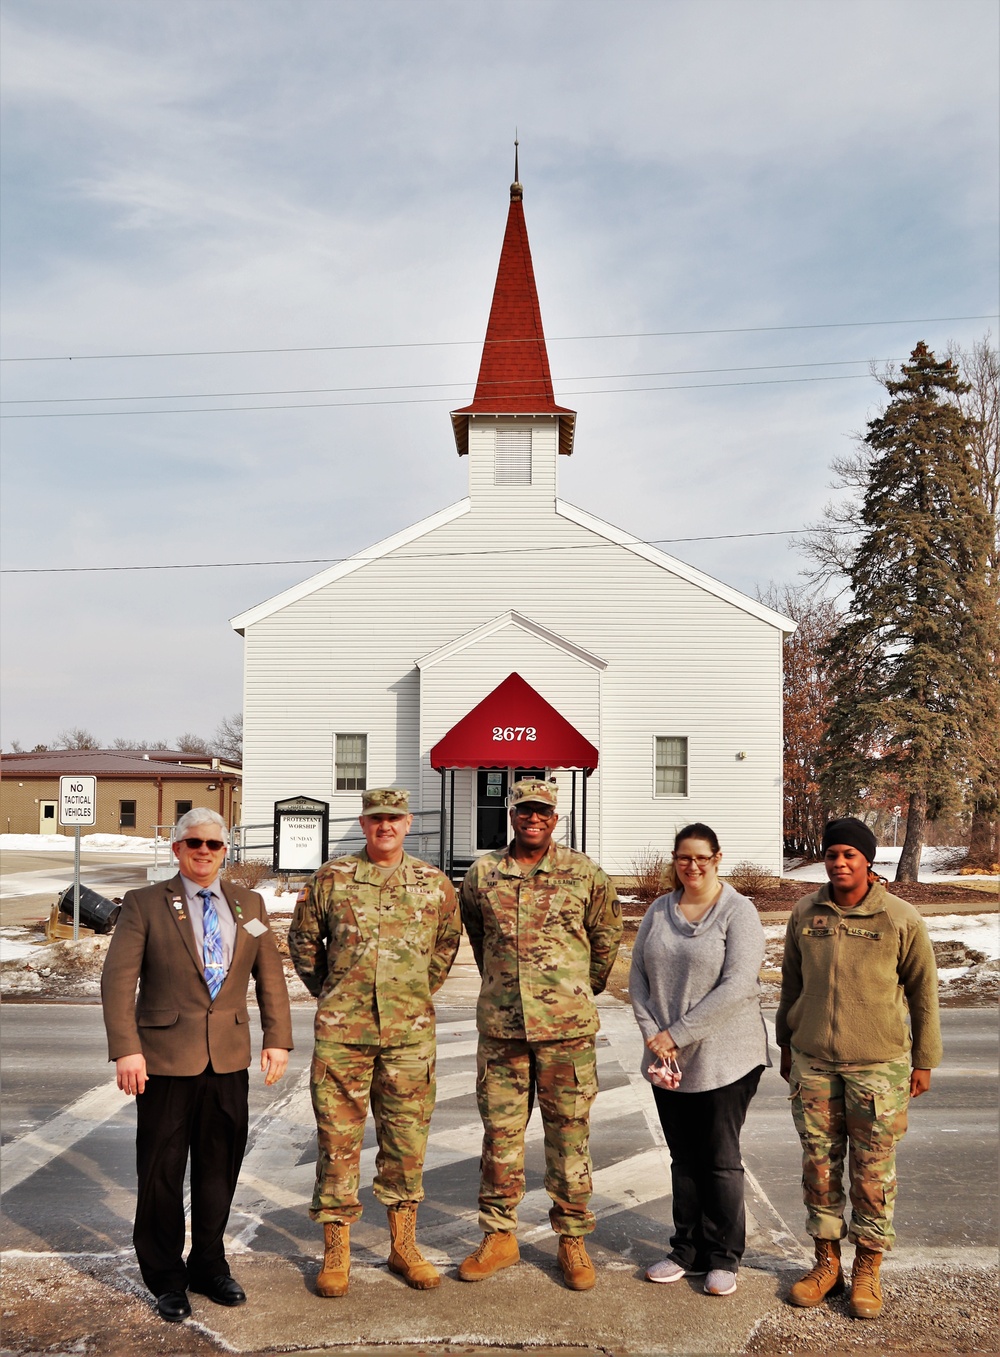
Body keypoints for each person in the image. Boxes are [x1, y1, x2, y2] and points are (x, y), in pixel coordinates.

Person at [101, 808, 292, 1323]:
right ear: (177, 849)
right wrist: (127, 1048)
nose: (203, 851)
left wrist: (277, 1038)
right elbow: (118, 982)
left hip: (227, 1058)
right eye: (193, 843)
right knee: (161, 1171)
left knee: (218, 1169)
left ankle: (208, 1263)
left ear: (225, 850)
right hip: (163, 1060)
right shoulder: (145, 904)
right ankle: (165, 1277)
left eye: (213, 844)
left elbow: (268, 975)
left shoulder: (248, 904)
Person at [288, 787, 461, 1297]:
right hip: (344, 1035)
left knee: (406, 1145)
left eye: (394, 818)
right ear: (363, 824)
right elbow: (303, 940)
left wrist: (413, 992)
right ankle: (336, 1250)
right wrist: (332, 993)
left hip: (409, 1035)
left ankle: (403, 1245)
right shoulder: (333, 878)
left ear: (409, 823)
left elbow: (446, 945)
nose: (385, 826)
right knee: (337, 1143)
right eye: (375, 818)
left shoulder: (433, 884)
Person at [457, 778, 622, 1291]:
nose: (533, 818)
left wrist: (575, 988)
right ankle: (500, 1236)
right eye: (525, 810)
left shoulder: (585, 874)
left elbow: (606, 937)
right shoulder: (483, 874)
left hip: (566, 1033)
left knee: (569, 1137)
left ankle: (571, 1238)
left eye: (543, 812)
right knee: (500, 1138)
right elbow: (478, 937)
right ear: (512, 814)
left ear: (556, 818)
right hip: (503, 1032)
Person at [776, 817, 942, 1320]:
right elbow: (790, 983)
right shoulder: (806, 912)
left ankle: (868, 1266)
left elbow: (924, 994)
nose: (840, 862)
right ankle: (826, 1262)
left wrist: (924, 1060)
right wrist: (786, 1044)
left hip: (879, 1066)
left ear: (868, 860)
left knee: (872, 1173)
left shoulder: (899, 918)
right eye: (832, 854)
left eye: (850, 854)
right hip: (814, 1062)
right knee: (820, 1167)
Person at [629, 822, 768, 1298]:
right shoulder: (658, 910)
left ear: (717, 858)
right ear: (674, 860)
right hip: (666, 1058)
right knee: (683, 1158)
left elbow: (737, 987)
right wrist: (654, 1036)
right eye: (683, 857)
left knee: (720, 1159)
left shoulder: (738, 911)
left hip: (725, 1057)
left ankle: (724, 1255)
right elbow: (638, 977)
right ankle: (685, 1250)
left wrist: (677, 1034)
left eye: (701, 858)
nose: (692, 866)